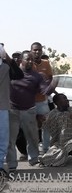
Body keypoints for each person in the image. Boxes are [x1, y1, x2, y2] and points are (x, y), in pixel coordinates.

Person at [7, 50, 57, 172]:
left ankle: (34, 159)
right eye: (27, 59)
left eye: (31, 59)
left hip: (29, 110)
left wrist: (52, 86)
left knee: (32, 138)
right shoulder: (11, 72)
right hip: (12, 110)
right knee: (11, 139)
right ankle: (12, 164)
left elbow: (44, 91)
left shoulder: (36, 76)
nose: (30, 61)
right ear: (20, 60)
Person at [0, 44, 23, 189]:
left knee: (3, 139)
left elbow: (19, 75)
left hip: (2, 108)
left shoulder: (6, 67)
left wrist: (6, 57)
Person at [39, 93, 72, 167]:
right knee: (47, 158)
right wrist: (40, 119)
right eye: (64, 98)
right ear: (57, 102)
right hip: (58, 141)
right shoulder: (52, 114)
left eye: (66, 98)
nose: (67, 100)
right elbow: (44, 124)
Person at [31, 42, 53, 154]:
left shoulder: (46, 63)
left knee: (46, 126)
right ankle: (33, 153)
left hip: (42, 101)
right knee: (32, 128)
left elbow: (50, 78)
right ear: (31, 51)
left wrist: (45, 83)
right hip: (29, 102)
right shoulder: (27, 63)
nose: (37, 52)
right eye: (35, 50)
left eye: (39, 50)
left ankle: (46, 150)